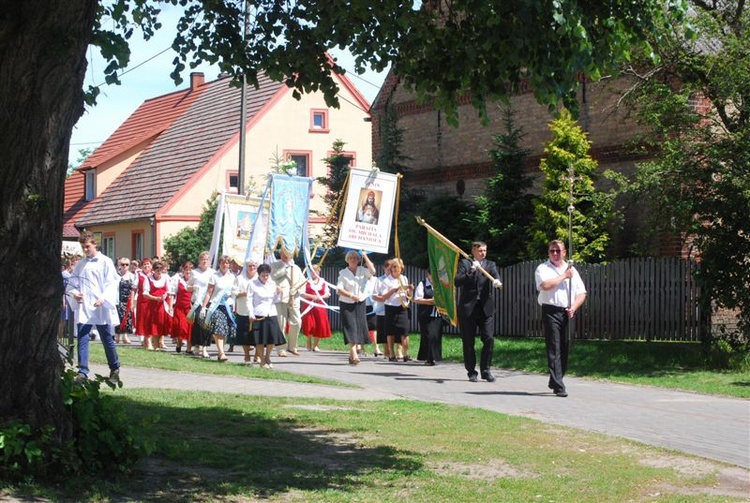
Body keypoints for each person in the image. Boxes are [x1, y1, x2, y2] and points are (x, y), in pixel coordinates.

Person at [65, 231, 121, 383]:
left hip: (101, 306)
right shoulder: (81, 265)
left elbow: (112, 283)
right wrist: (75, 293)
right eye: (83, 247)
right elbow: (72, 284)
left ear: (94, 244)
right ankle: (82, 371)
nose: (85, 250)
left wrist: (103, 298)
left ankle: (114, 368)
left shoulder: (105, 262)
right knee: (82, 338)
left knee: (106, 338)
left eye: (87, 246)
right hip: (85, 307)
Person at [535, 239, 587, 398]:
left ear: (564, 252)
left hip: (567, 311)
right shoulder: (543, 268)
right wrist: (564, 276)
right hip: (550, 310)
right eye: (552, 251)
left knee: (565, 347)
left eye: (558, 251)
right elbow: (544, 286)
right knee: (554, 347)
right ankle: (559, 386)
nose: (555, 254)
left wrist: (574, 307)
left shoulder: (572, 270)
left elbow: (581, 293)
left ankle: (555, 378)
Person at [455, 241, 503, 382]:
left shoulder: (490, 264)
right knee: (468, 341)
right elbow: (457, 281)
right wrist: (471, 271)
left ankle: (486, 369)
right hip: (468, 308)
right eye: (480, 250)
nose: (483, 253)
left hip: (485, 308)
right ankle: (471, 371)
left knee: (489, 338)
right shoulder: (465, 264)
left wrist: (497, 282)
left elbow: (495, 276)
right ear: (473, 251)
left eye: (485, 250)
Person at [336, 250, 376, 365]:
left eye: (355, 258)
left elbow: (373, 271)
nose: (353, 260)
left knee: (358, 328)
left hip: (360, 302)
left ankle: (352, 354)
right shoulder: (343, 273)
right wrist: (351, 295)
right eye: (351, 258)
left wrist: (365, 255)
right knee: (350, 328)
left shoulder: (362, 271)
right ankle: (354, 353)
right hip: (347, 303)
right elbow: (339, 289)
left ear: (358, 260)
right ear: (347, 260)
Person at [375, 257, 414, 362]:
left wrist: (410, 290)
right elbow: (383, 297)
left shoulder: (404, 278)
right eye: (394, 267)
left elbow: (408, 296)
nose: (396, 270)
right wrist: (393, 290)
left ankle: (406, 354)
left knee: (404, 332)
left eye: (399, 267)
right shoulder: (387, 281)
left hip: (402, 307)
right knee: (390, 332)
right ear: (391, 268)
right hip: (391, 307)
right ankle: (391, 354)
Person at [248, 263, 285, 369]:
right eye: (263, 275)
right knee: (260, 339)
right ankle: (262, 360)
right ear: (259, 274)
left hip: (271, 313)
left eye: (267, 275)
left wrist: (279, 293)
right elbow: (249, 300)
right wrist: (251, 313)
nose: (265, 277)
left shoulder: (272, 283)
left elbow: (276, 300)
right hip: (258, 314)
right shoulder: (252, 284)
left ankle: (268, 356)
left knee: (271, 338)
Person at [201, 255, 237, 362]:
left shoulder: (232, 277)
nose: (225, 265)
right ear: (219, 264)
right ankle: (221, 353)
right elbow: (209, 292)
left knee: (225, 330)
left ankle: (220, 351)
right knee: (219, 329)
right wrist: (204, 307)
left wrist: (233, 295)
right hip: (216, 305)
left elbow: (235, 292)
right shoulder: (214, 276)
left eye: (227, 263)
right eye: (223, 263)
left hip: (228, 306)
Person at [271, 249, 304, 356]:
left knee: (297, 321)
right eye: (284, 253)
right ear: (280, 254)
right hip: (281, 297)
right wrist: (285, 267)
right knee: (281, 323)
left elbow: (303, 283)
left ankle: (292, 346)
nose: (286, 255)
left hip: (294, 298)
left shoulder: (296, 268)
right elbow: (273, 277)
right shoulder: (275, 265)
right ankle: (281, 348)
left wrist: (297, 290)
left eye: (288, 253)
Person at [187, 251, 214, 358]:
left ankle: (205, 348)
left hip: (208, 301)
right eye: (202, 259)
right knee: (198, 324)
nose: (204, 261)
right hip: (197, 301)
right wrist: (194, 288)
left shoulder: (213, 272)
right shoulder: (195, 273)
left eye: (206, 259)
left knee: (207, 324)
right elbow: (187, 287)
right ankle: (197, 345)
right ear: (199, 261)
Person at [300, 264, 332, 351]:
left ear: (319, 272)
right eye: (312, 271)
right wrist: (312, 296)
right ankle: (308, 341)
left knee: (320, 324)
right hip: (308, 305)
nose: (314, 273)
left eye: (316, 271)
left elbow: (327, 293)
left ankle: (316, 345)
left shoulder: (323, 282)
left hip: (320, 306)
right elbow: (301, 293)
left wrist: (320, 297)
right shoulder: (305, 281)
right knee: (309, 323)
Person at [233, 258, 259, 363]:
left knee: (257, 334)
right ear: (246, 267)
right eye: (250, 266)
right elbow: (233, 292)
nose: (252, 268)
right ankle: (246, 355)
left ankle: (258, 355)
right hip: (243, 310)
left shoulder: (260, 278)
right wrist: (242, 293)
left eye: (254, 266)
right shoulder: (239, 278)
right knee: (244, 334)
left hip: (257, 311)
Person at [142, 260, 172, 350]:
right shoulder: (148, 278)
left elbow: (169, 291)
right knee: (154, 324)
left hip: (163, 305)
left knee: (161, 324)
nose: (159, 272)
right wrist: (156, 298)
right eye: (157, 270)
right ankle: (155, 345)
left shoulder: (165, 277)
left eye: (161, 270)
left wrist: (165, 295)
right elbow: (145, 293)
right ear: (154, 270)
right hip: (152, 305)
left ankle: (159, 343)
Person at [415, 272, 443, 366]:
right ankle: (428, 358)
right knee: (428, 336)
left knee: (435, 336)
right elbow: (417, 299)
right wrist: (431, 301)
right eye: (432, 275)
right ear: (428, 275)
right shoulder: (422, 284)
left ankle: (434, 357)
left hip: (437, 315)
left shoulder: (440, 285)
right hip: (425, 315)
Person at [171, 261, 194, 353]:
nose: (188, 272)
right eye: (186, 270)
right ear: (183, 271)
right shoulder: (178, 280)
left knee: (189, 328)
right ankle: (179, 344)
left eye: (190, 270)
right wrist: (170, 305)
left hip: (190, 307)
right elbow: (173, 294)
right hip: (180, 307)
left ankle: (189, 348)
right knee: (181, 327)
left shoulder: (194, 281)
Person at [114, 257, 136, 344]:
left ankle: (125, 336)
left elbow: (134, 289)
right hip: (118, 298)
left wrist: (133, 301)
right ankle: (117, 336)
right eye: (123, 264)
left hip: (128, 299)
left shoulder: (132, 276)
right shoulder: (116, 275)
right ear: (119, 265)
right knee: (118, 317)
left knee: (127, 317)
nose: (125, 266)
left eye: (127, 264)